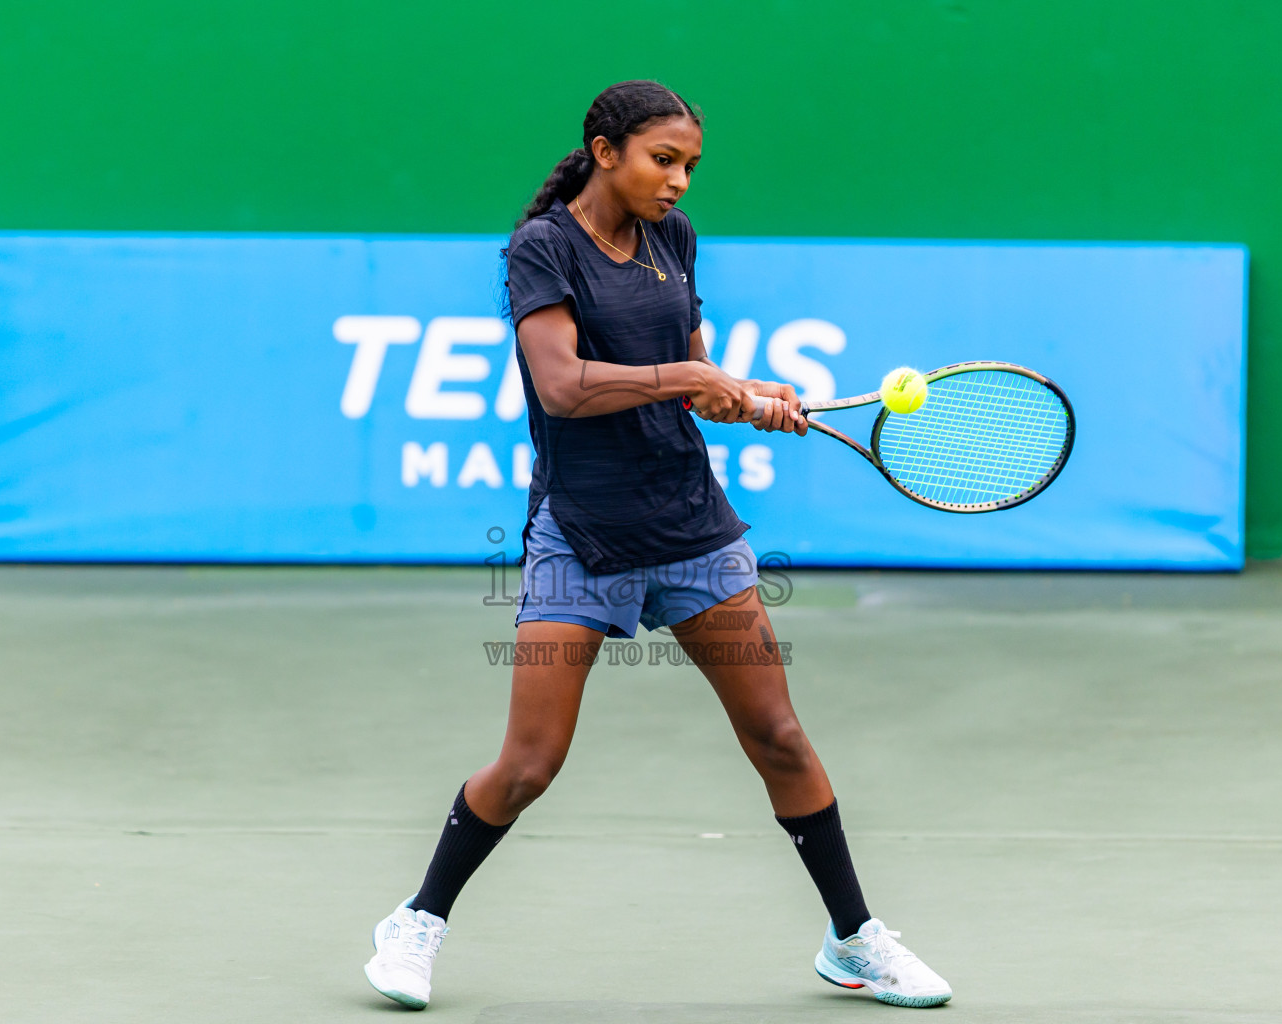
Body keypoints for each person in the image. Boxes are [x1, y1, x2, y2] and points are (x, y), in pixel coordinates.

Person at [364, 80, 952, 1011]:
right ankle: (417, 922)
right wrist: (688, 373)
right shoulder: (542, 248)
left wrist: (739, 390)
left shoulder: (671, 239)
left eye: (689, 166)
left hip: (689, 524)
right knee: (528, 763)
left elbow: (689, 359)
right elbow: (560, 386)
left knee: (779, 735)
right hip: (582, 530)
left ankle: (855, 942)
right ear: (605, 151)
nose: (678, 182)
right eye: (662, 160)